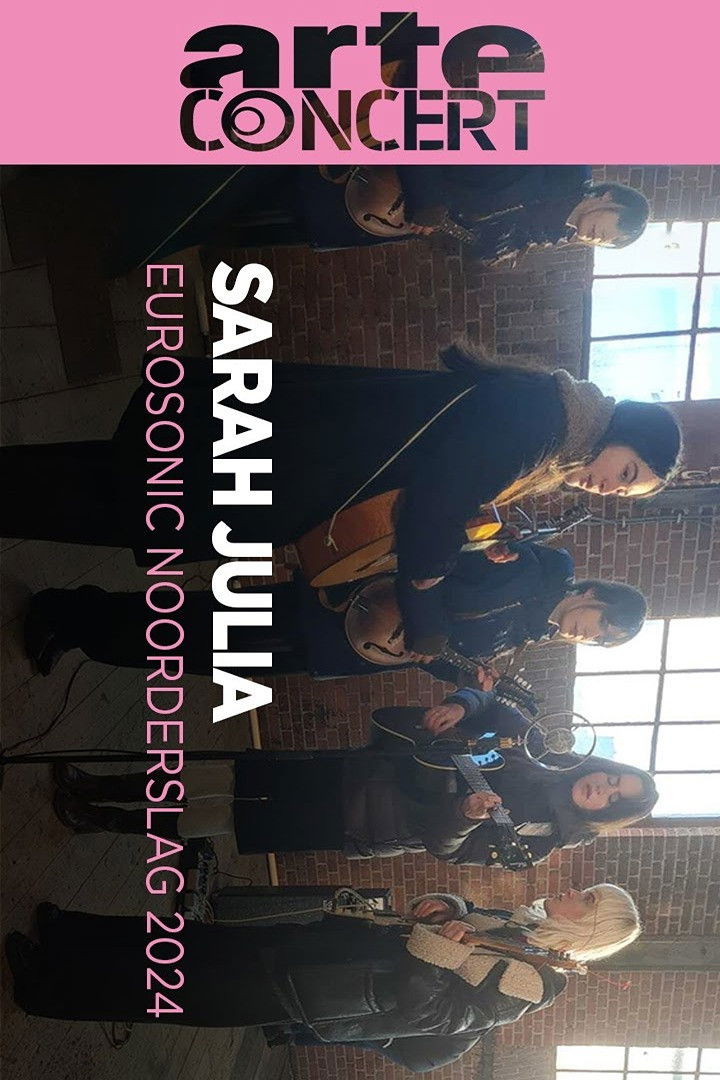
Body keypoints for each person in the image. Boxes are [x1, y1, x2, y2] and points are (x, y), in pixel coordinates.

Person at [7, 345, 680, 676]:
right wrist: (425, 604)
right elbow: (439, 499)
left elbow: (450, 485)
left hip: (292, 465)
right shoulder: (546, 423)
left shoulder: (549, 429)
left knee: (108, 487)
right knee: (110, 495)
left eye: (627, 491)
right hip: (286, 463)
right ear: (622, 431)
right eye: (627, 473)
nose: (612, 487)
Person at [5, 883, 641, 1073]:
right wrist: (445, 909)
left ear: (588, 932)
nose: (571, 892)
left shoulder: (533, 983)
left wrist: (438, 951)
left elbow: (429, 1015)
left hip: (320, 990)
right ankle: (74, 934)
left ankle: (49, 990)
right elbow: (459, 919)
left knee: (178, 990)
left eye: (585, 900)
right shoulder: (521, 926)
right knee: (194, 942)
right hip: (326, 951)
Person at [50, 689, 658, 866]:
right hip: (359, 767)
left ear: (606, 815)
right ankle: (101, 785)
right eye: (612, 778)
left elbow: (446, 851)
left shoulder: (540, 839)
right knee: (220, 773)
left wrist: (463, 815)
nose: (602, 789)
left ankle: (104, 820)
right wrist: (461, 706)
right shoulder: (541, 750)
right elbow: (489, 703)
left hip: (360, 821)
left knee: (220, 816)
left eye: (613, 799)